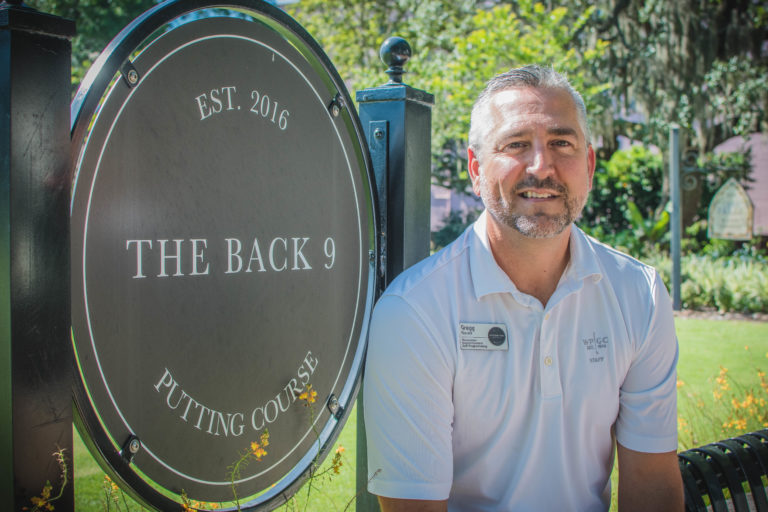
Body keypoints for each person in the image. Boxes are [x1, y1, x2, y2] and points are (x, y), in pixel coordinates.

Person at [363, 65, 683, 512]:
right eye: (516, 145)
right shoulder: (415, 312)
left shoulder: (639, 294)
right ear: (476, 169)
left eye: (561, 143)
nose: (541, 166)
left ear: (588, 165)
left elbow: (653, 485)